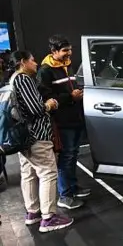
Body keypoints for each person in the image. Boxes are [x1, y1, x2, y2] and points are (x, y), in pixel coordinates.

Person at [10, 50, 74, 232]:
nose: (36, 63)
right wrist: (50, 104)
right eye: (32, 60)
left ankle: (33, 212)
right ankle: (48, 217)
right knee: (47, 173)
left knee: (28, 173)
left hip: (25, 137)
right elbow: (35, 109)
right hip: (37, 135)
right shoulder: (23, 80)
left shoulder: (13, 79)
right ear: (23, 62)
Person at [37, 35, 90, 210]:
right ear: (53, 52)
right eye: (65, 50)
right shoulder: (45, 70)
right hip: (61, 120)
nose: (69, 53)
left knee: (73, 154)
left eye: (70, 49)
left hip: (75, 117)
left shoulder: (67, 65)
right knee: (66, 156)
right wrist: (70, 97)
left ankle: (72, 187)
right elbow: (45, 98)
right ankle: (65, 195)